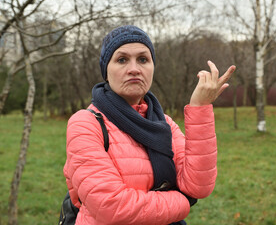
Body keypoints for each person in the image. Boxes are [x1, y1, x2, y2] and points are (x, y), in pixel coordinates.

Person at [63, 25, 236, 225]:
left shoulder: (164, 123)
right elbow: (111, 207)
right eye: (122, 60)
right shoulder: (85, 123)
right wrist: (182, 202)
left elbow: (198, 186)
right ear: (106, 71)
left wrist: (200, 108)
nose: (134, 68)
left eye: (143, 59)